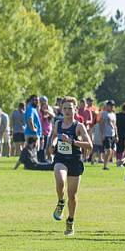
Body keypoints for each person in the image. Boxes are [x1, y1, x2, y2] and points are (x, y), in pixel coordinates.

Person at [49, 97, 92, 235]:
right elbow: (54, 136)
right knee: (60, 181)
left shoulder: (79, 126)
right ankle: (61, 202)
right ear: (61, 110)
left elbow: (89, 145)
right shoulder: (58, 124)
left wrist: (72, 141)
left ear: (75, 110)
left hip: (74, 160)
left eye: (70, 108)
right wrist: (53, 144)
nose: (67, 111)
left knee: (72, 195)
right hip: (61, 158)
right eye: (65, 108)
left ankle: (70, 221)